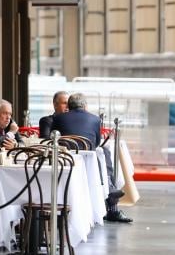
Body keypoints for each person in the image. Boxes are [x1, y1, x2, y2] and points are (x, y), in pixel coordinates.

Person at [51, 93, 133, 223]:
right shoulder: (94, 119)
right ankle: (110, 193)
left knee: (102, 153)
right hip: (88, 162)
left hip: (65, 161)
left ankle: (110, 192)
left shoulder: (59, 119)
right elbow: (96, 143)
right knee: (102, 152)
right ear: (85, 106)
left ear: (69, 105)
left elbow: (53, 141)